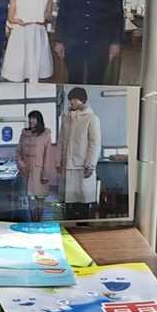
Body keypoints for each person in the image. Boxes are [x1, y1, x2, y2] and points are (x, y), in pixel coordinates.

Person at [2, 0, 54, 83]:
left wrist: (45, 18)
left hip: (38, 34)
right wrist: (18, 21)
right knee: (19, 68)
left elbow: (49, 17)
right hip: (21, 33)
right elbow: (10, 17)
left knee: (36, 66)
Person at [58, 87, 102, 218]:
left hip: (82, 167)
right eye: (70, 99)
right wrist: (58, 161)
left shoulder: (91, 118)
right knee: (68, 206)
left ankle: (83, 227)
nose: (71, 102)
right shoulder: (66, 118)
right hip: (67, 166)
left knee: (82, 205)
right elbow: (61, 142)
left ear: (82, 100)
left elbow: (95, 143)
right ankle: (69, 229)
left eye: (74, 99)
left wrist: (91, 165)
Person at [15, 110, 54, 222]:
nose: (31, 120)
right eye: (30, 118)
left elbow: (48, 155)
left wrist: (45, 174)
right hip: (26, 170)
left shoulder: (45, 134)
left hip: (39, 171)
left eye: (34, 118)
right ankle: (33, 220)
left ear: (39, 120)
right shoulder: (24, 133)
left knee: (40, 197)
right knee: (30, 197)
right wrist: (20, 163)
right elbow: (18, 151)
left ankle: (39, 220)